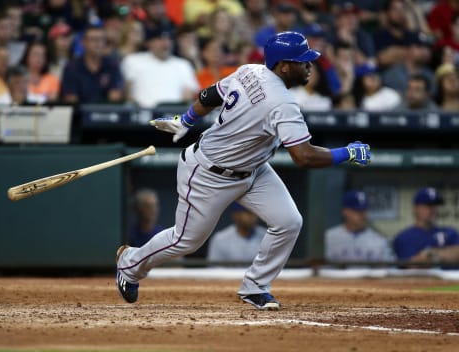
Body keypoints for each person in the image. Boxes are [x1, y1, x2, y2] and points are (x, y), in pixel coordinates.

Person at [116, 31, 371, 310]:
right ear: (284, 66)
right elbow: (304, 157)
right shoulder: (282, 103)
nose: (310, 65)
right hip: (208, 174)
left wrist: (187, 119)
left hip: (253, 169)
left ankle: (255, 286)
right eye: (303, 61)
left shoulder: (250, 70)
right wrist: (347, 153)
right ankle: (130, 263)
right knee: (185, 241)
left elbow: (211, 94)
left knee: (288, 222)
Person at [121, 26, 199, 108]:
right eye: (160, 39)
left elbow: (188, 95)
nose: (165, 44)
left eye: (169, 39)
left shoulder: (183, 65)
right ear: (149, 43)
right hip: (141, 113)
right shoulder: (132, 60)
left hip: (173, 115)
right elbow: (126, 91)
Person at [325, 190, 395, 263]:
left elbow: (389, 270)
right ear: (345, 211)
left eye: (364, 210)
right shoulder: (328, 238)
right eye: (357, 210)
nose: (363, 215)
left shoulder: (379, 240)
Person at [393, 187, 459, 264]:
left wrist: (431, 254)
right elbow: (412, 266)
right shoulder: (404, 237)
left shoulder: (450, 232)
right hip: (421, 276)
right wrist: (446, 253)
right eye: (428, 205)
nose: (433, 209)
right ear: (415, 209)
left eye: (435, 205)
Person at [60, 25, 124, 104]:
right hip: (80, 114)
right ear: (83, 42)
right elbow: (71, 100)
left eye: (101, 40)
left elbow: (115, 98)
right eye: (93, 39)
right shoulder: (72, 67)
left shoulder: (112, 65)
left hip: (106, 113)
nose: (98, 43)